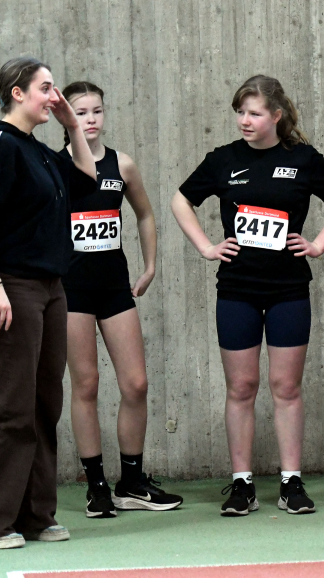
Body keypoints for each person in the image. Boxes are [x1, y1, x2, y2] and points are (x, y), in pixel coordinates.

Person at [171, 75, 324, 517]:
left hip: (289, 287)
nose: (244, 121)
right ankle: (242, 483)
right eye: (240, 112)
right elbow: (181, 200)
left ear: (276, 115)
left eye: (254, 113)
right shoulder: (223, 160)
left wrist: (319, 243)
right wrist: (206, 246)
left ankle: (291, 481)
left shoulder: (303, 159)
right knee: (242, 386)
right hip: (237, 289)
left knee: (285, 386)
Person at [0, 58, 97, 549]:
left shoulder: (41, 152)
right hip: (12, 286)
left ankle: (34, 514)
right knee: (9, 405)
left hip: (50, 287)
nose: (55, 97)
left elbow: (88, 180)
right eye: (46, 89)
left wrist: (72, 128)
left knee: (44, 401)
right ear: (16, 92)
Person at [60, 81, 183, 519]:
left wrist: (149, 265)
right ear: (65, 116)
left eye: (97, 110)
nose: (90, 119)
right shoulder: (54, 166)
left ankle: (131, 480)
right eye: (80, 112)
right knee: (86, 385)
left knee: (136, 384)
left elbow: (145, 212)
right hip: (71, 292)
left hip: (115, 288)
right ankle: (96, 486)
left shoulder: (122, 164)